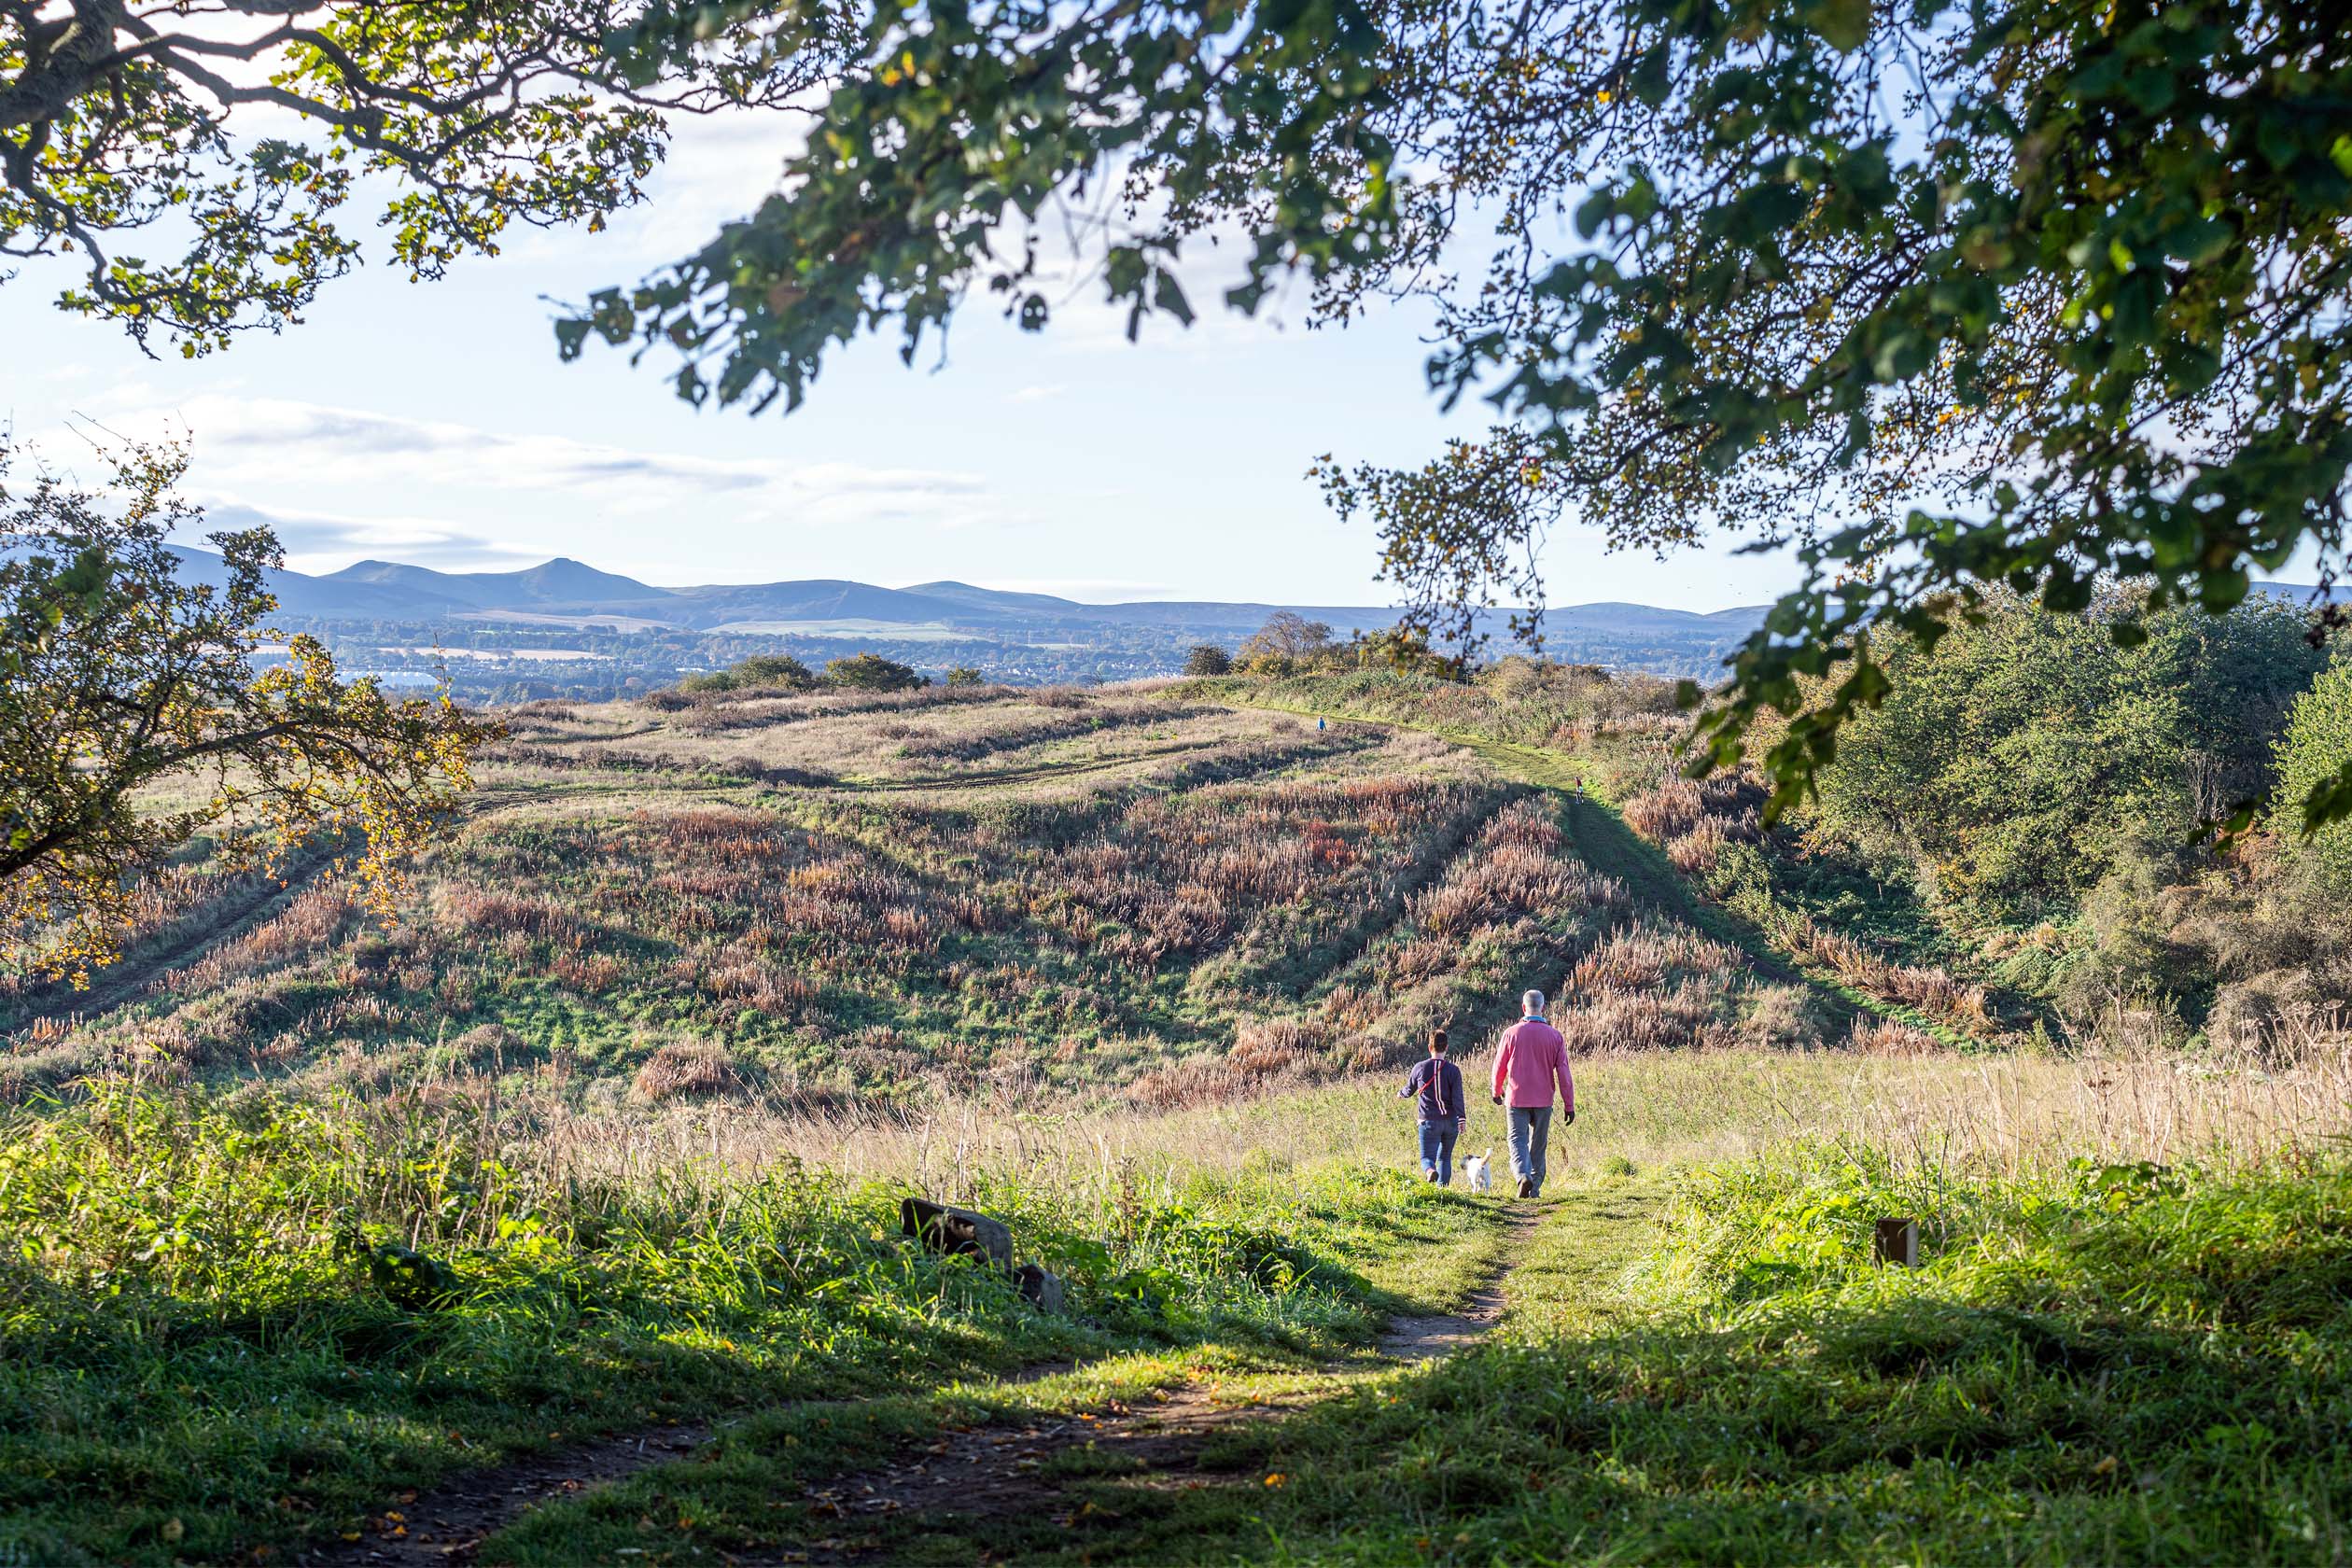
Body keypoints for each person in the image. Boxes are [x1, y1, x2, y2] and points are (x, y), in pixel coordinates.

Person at [1490, 989, 1574, 1198]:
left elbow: (1499, 1066)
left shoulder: (1511, 1033)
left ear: (1523, 1007)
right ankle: (1534, 1188)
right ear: (1543, 1008)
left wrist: (1496, 1089)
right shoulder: (1555, 1036)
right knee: (1538, 1143)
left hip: (1516, 1098)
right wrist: (1568, 1105)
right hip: (1544, 1099)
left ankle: (1522, 1176)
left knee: (1517, 1139)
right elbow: (1563, 1072)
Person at [1397, 1029, 1464, 1184]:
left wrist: (1400, 1094)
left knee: (1427, 1158)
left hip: (1428, 1122)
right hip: (1450, 1121)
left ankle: (1430, 1171)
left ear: (1429, 1047)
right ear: (1446, 1047)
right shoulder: (1454, 1070)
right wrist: (1462, 1118)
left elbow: (1409, 1090)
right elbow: (1458, 1097)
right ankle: (1443, 1193)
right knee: (1445, 1157)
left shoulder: (1420, 1068)